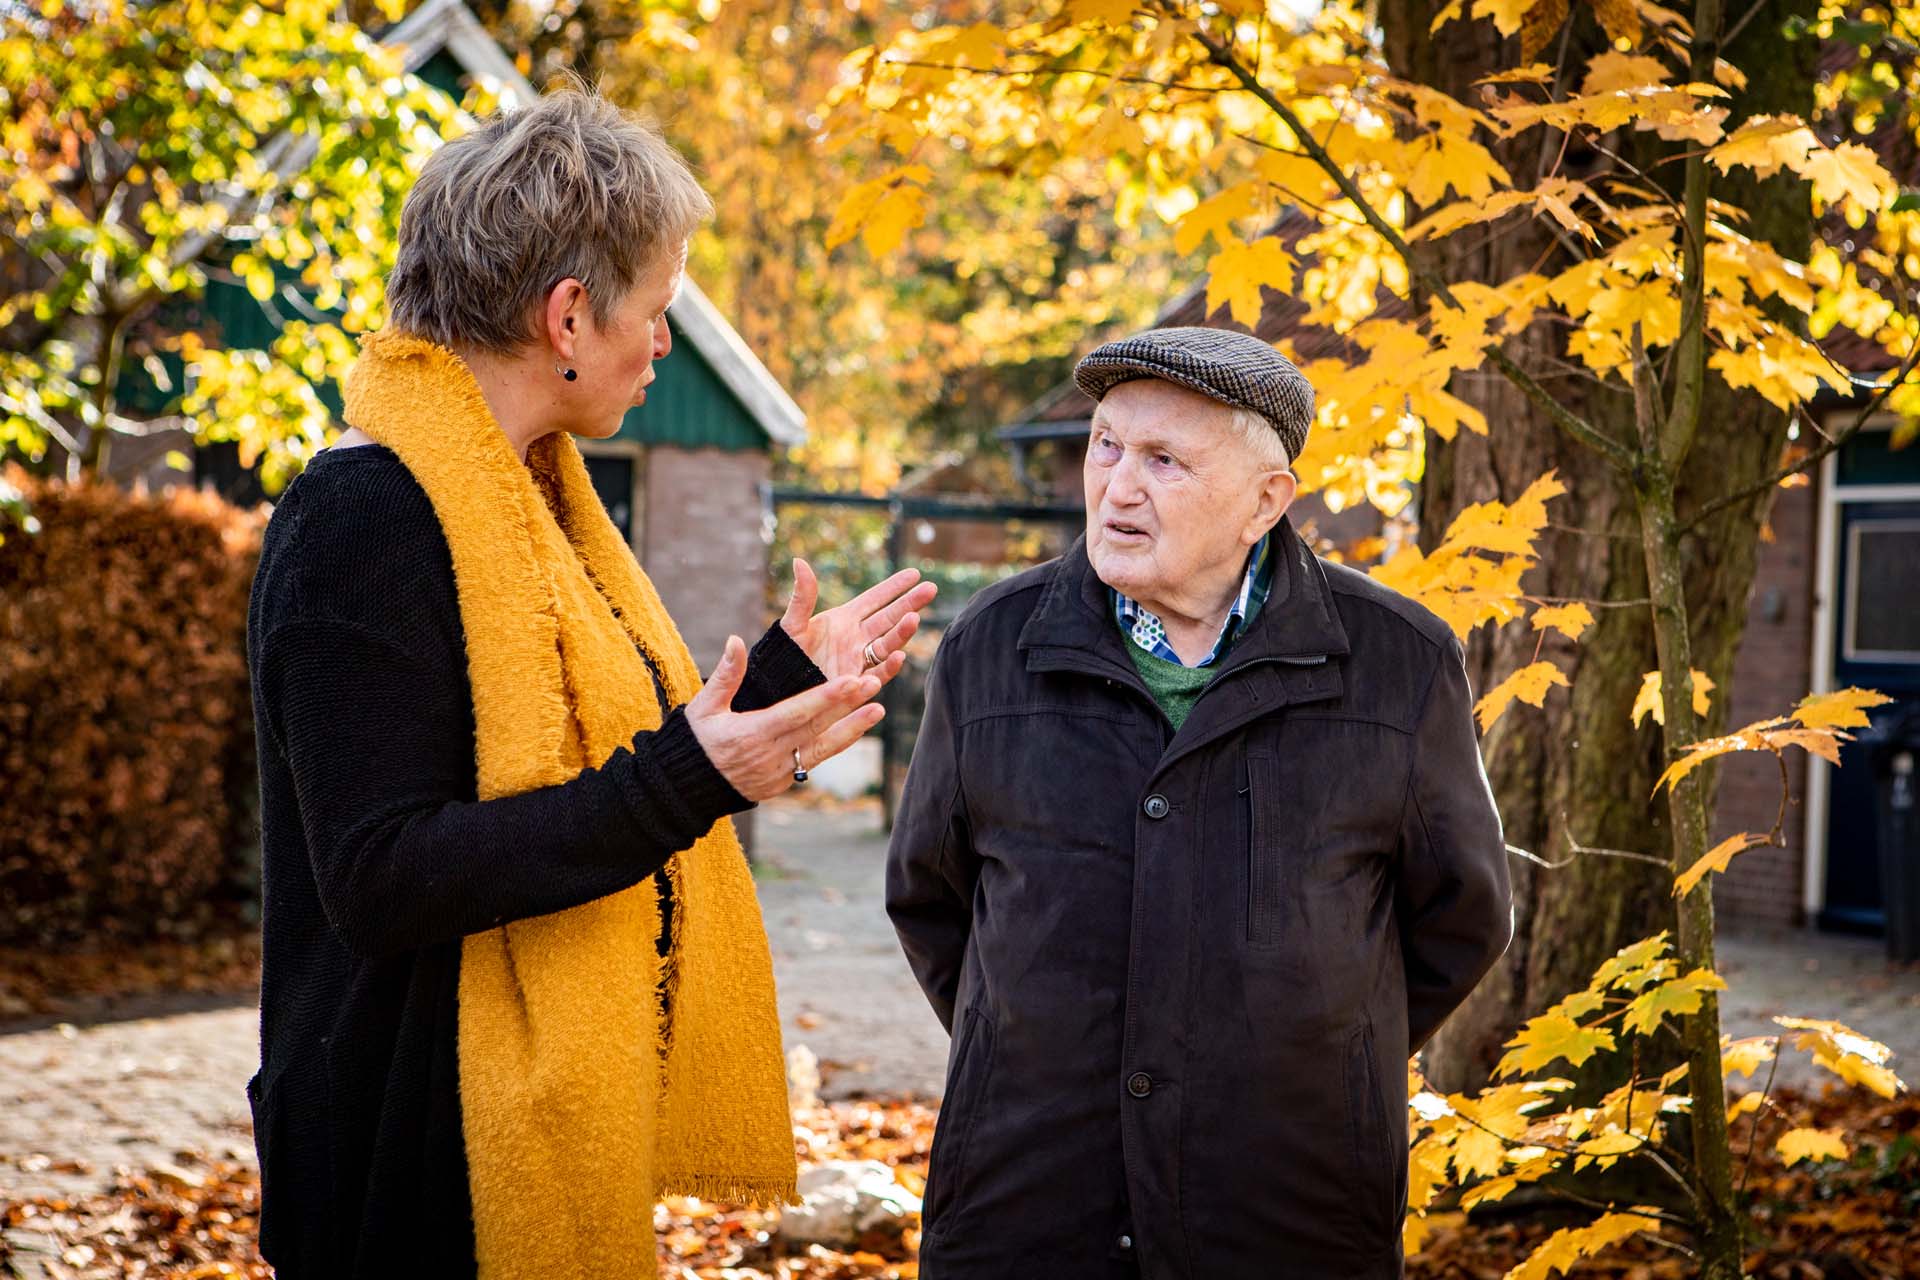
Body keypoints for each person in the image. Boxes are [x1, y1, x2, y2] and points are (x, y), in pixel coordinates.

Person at [245, 87, 935, 1277]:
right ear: (569, 315)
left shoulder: (526, 498)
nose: (664, 342)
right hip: (404, 1152)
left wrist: (775, 695)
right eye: (657, 309)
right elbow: (380, 876)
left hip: (480, 1122)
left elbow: (588, 742)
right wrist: (691, 778)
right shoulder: (365, 519)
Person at [886, 326, 1513, 1279]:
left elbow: (1460, 919)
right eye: (1106, 445)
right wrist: (1034, 1043)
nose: (1118, 486)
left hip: (1287, 1211)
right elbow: (932, 901)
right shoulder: (988, 647)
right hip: (1029, 1202)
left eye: (1164, 460)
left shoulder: (1399, 665)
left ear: (1267, 501)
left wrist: (1316, 1050)